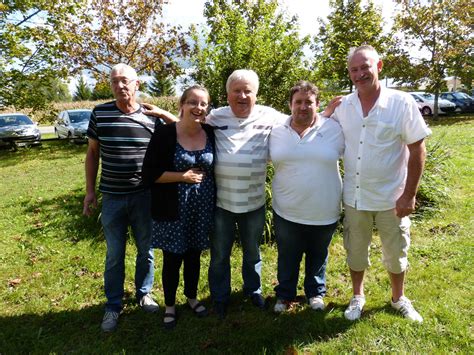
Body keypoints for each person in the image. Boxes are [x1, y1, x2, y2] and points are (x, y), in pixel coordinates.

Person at [328, 45, 431, 322]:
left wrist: (409, 194)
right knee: (355, 249)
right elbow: (320, 130)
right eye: (354, 69)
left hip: (391, 197)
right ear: (349, 73)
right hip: (355, 196)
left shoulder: (401, 103)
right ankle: (357, 295)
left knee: (397, 250)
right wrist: (325, 112)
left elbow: (417, 148)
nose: (360, 74)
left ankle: (398, 298)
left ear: (379, 66)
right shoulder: (344, 107)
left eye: (365, 67)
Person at [83, 63, 178, 332]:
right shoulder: (100, 114)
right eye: (115, 81)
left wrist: (162, 112)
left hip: (144, 196)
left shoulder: (152, 116)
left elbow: (182, 127)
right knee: (114, 254)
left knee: (145, 250)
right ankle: (113, 305)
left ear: (137, 84)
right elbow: (92, 154)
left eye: (125, 81)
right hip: (112, 196)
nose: (120, 85)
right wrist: (90, 192)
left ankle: (144, 293)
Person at [206, 69, 287, 318]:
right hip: (222, 204)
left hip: (254, 203)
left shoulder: (271, 116)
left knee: (253, 252)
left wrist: (327, 114)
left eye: (248, 90)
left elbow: (300, 120)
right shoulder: (214, 118)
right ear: (228, 94)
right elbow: (187, 123)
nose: (242, 95)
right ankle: (220, 296)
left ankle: (253, 290)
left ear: (256, 93)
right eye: (237, 90)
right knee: (220, 254)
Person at [142, 85, 216, 329]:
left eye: (203, 103)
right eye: (193, 102)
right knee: (173, 258)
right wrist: (182, 176)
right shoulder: (165, 134)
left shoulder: (209, 132)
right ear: (182, 105)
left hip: (201, 208)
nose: (198, 107)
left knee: (194, 255)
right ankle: (170, 306)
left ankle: (192, 298)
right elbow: (149, 174)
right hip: (173, 209)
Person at [269, 81, 344, 313]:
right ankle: (284, 294)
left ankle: (315, 293)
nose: (303, 107)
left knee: (318, 255)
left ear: (317, 104)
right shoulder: (276, 130)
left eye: (308, 102)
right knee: (287, 255)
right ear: (290, 105)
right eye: (298, 102)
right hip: (287, 208)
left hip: (324, 207)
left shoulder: (334, 129)